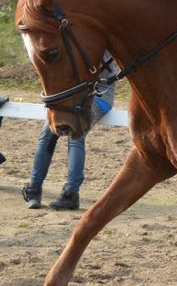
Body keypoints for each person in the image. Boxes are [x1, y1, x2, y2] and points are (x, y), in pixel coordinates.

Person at [22, 55, 119, 211]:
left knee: (76, 135)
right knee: (48, 133)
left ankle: (70, 193)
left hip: (99, 95)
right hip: (73, 93)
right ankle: (34, 188)